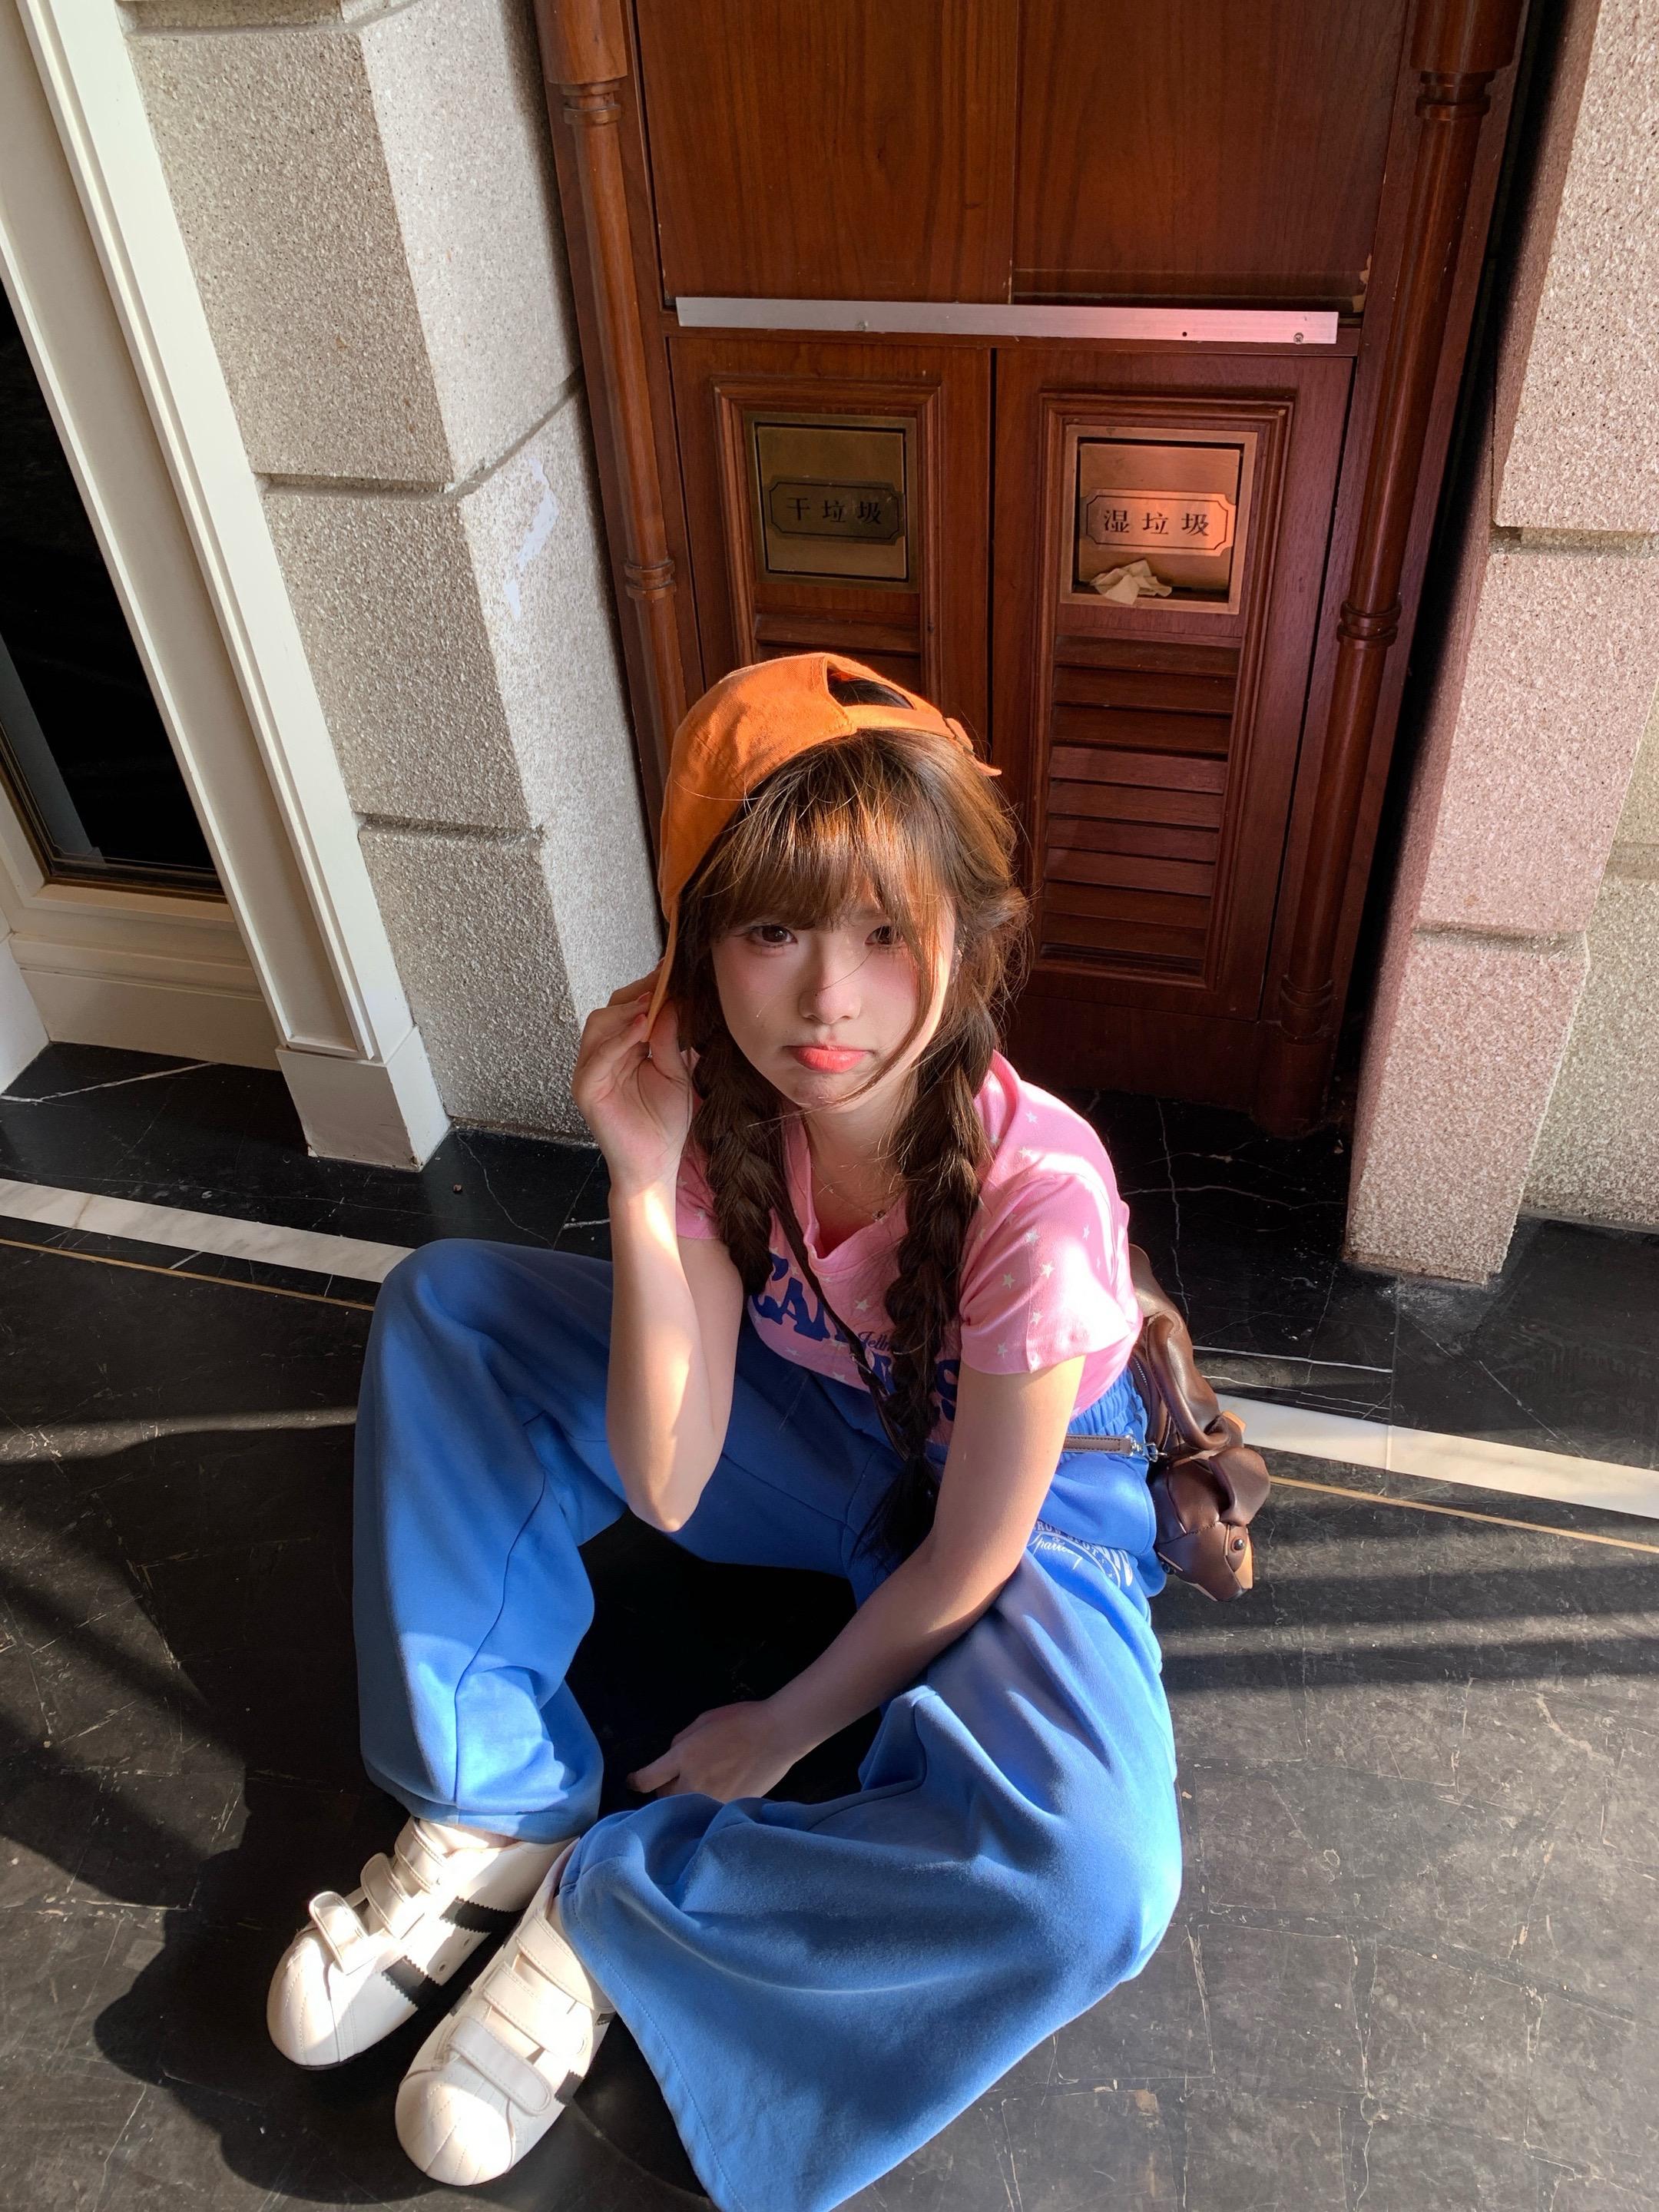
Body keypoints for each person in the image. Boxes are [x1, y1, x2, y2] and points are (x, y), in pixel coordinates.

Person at [265, 653, 1184, 2210]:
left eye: (885, 932)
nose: (828, 998)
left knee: (1097, 1882)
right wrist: (640, 1179)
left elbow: (966, 1558)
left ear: (969, 943)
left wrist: (781, 1730)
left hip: (1022, 1507)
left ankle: (628, 1918)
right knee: (450, 1312)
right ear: (700, 949)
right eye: (774, 930)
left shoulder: (1040, 1194)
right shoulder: (722, 1119)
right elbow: (671, 1479)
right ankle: (491, 1798)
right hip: (818, 1429)